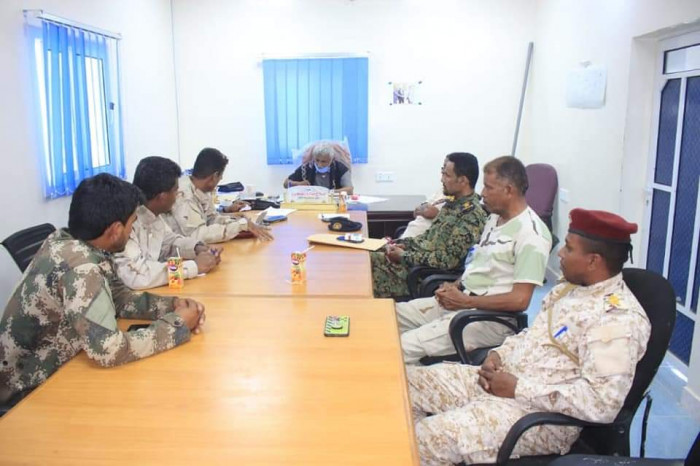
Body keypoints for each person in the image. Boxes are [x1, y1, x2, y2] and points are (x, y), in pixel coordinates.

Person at [407, 208, 650, 465]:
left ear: (593, 261)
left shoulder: (616, 319)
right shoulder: (569, 290)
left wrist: (518, 388)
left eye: (568, 248)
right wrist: (498, 354)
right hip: (500, 382)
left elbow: (602, 404)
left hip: (536, 418)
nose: (560, 253)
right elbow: (531, 336)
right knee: (405, 384)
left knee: (426, 439)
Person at [0, 174, 206, 408]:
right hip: (27, 389)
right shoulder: (81, 267)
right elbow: (108, 350)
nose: (132, 230)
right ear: (116, 230)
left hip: (60, 362)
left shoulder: (72, 241)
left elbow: (118, 297)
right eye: (132, 223)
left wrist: (171, 306)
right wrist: (177, 325)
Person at [397, 156, 552, 364]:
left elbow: (520, 300)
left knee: (401, 347)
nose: (483, 193)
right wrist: (454, 286)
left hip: (488, 319)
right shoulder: (494, 218)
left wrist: (467, 301)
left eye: (489, 187)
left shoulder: (532, 234)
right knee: (389, 316)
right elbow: (479, 263)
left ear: (509, 190)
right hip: (464, 302)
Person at [371, 153, 487, 299]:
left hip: (419, 276)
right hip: (412, 263)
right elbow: (428, 238)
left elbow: (447, 261)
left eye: (447, 175)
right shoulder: (452, 204)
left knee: (365, 268)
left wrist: (404, 256)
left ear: (463, 180)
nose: (442, 179)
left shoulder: (471, 216)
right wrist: (402, 244)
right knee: (364, 255)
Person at [114, 156, 221, 290]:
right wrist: (193, 266)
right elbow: (137, 276)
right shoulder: (128, 223)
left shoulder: (153, 215)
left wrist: (197, 248)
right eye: (176, 191)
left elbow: (169, 243)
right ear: (162, 197)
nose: (178, 195)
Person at [165, 147, 273, 243]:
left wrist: (239, 223)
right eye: (221, 176)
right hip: (176, 255)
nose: (221, 179)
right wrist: (239, 226)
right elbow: (199, 235)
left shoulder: (201, 190)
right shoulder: (184, 196)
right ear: (215, 176)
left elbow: (212, 218)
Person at [283, 140, 354, 193]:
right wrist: (298, 184)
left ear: (331, 160)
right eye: (317, 160)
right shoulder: (306, 168)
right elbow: (286, 184)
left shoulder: (340, 168)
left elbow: (349, 190)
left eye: (324, 161)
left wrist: (330, 193)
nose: (319, 165)